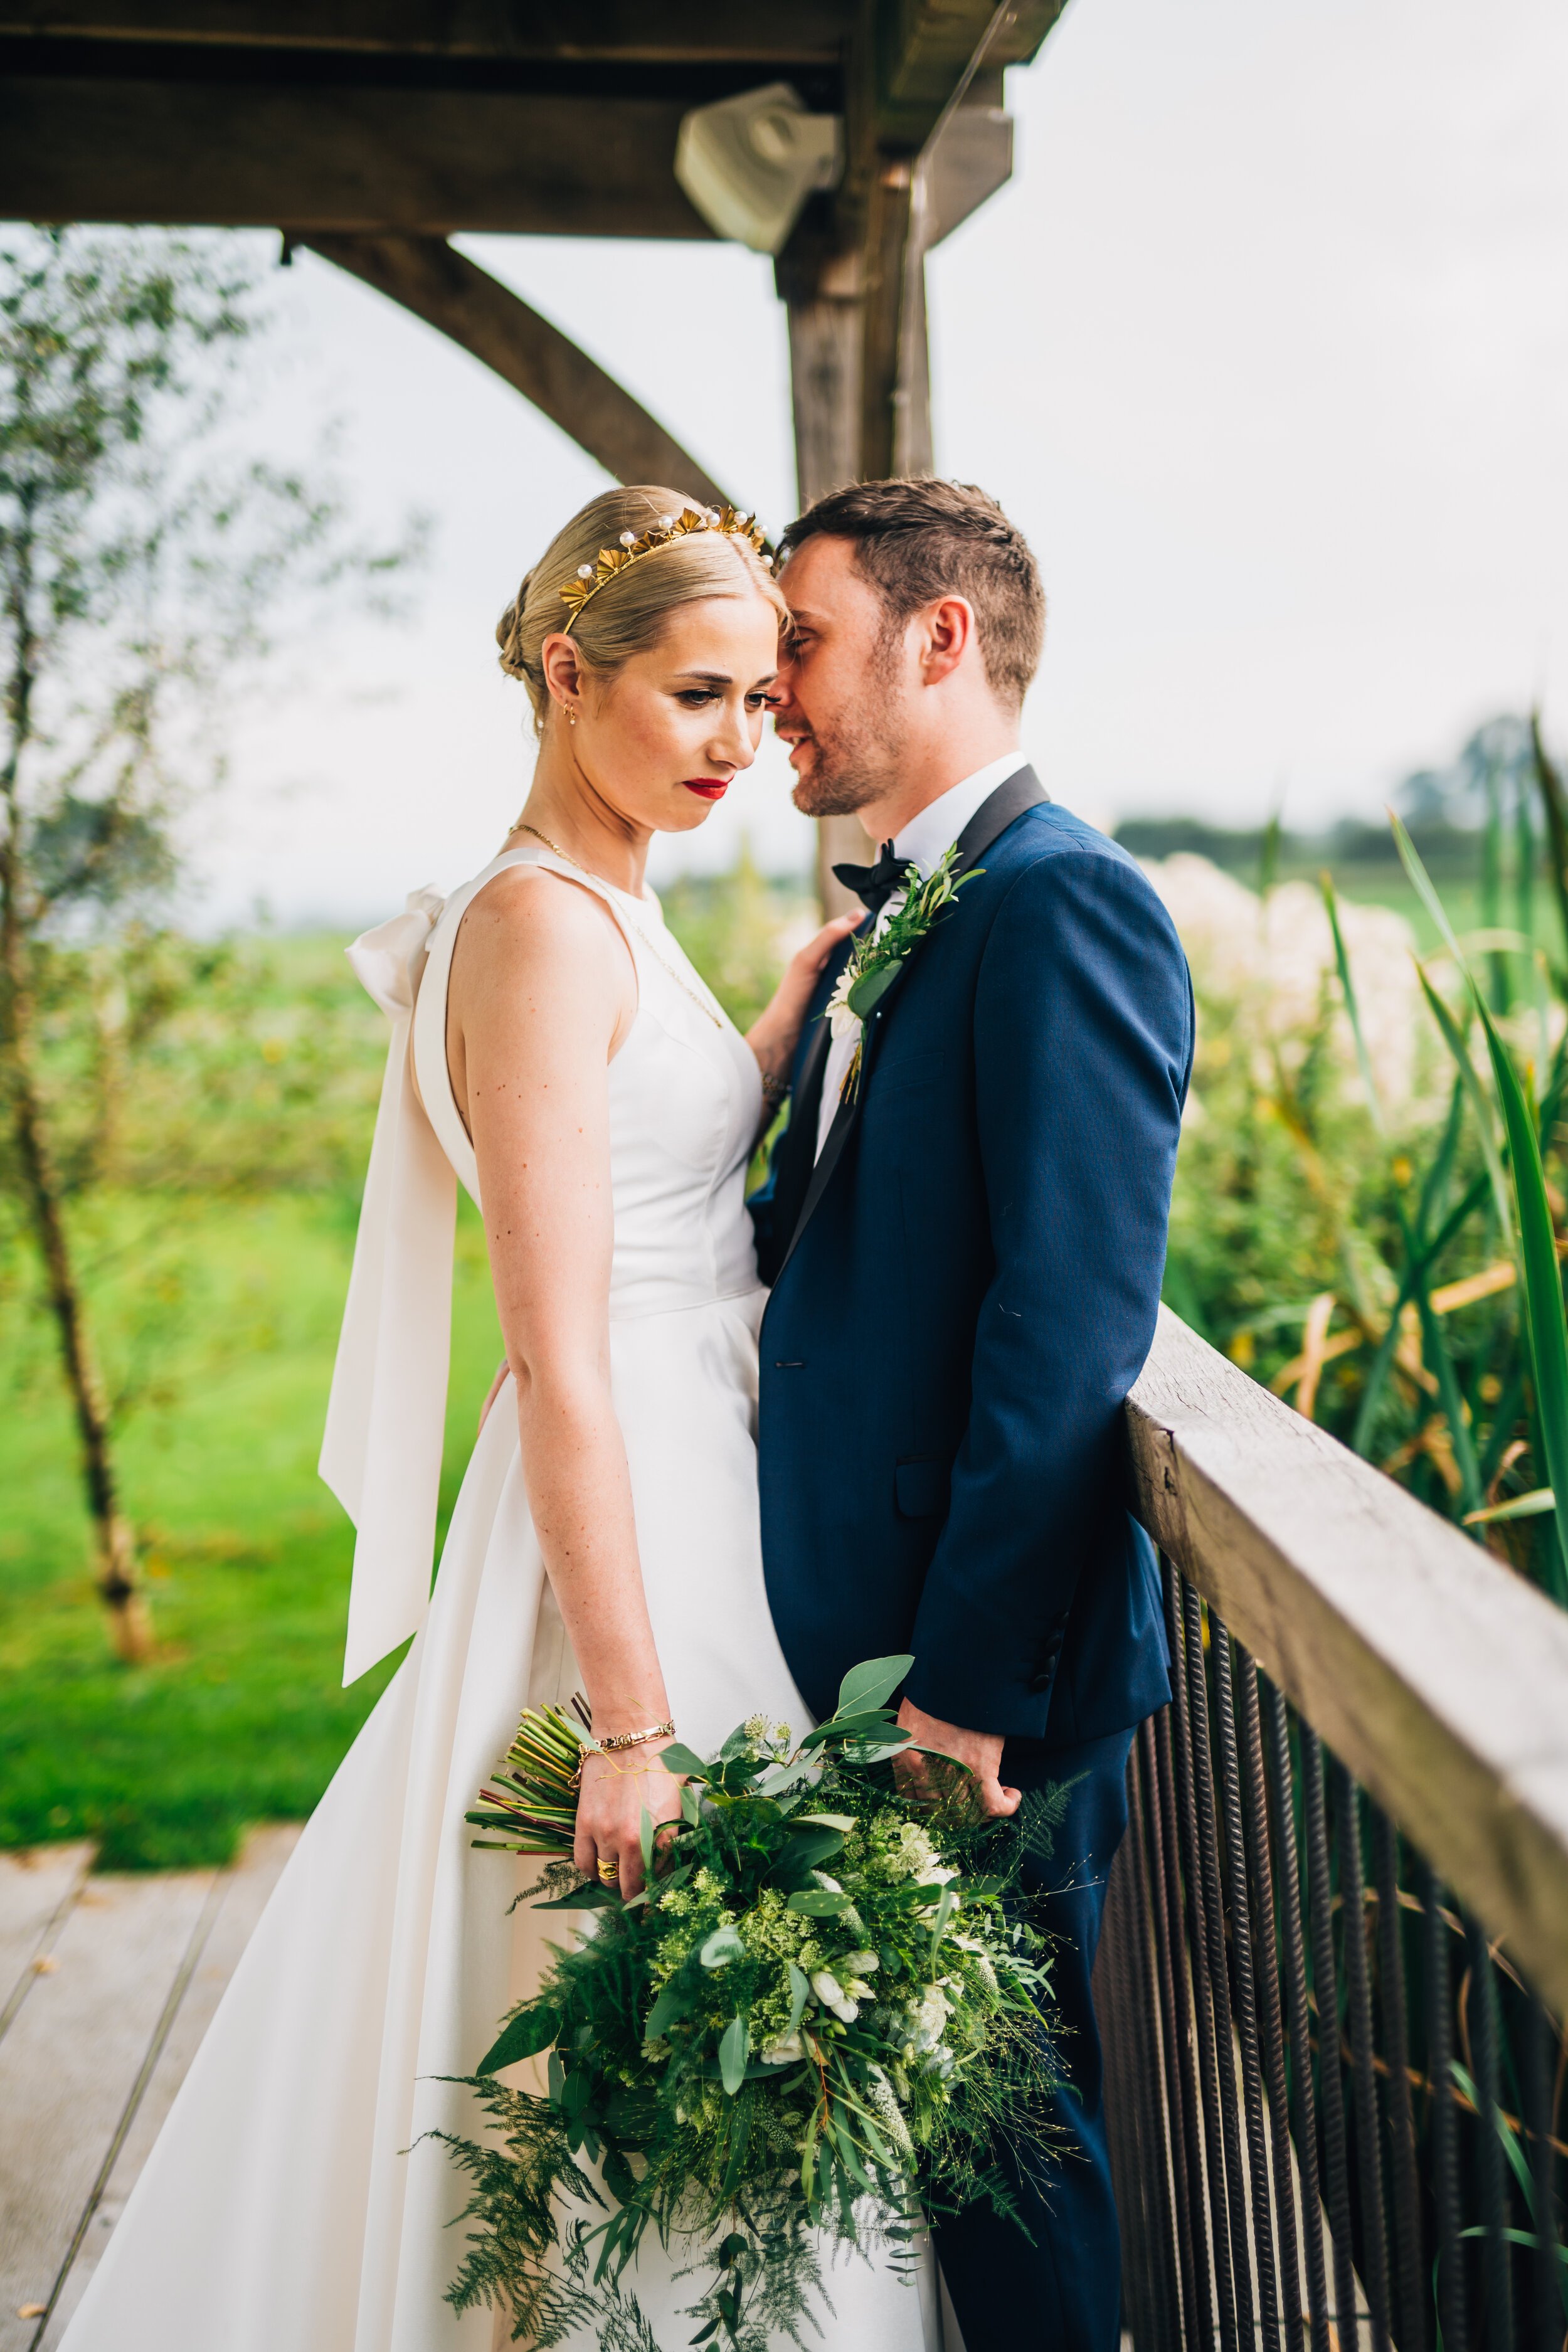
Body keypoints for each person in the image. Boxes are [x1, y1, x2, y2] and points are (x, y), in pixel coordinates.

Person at [58, 488, 943, 2351]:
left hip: (701, 1466)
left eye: (760, 706)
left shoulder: (605, 894)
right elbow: (561, 1345)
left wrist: (779, 1021)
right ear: (567, 672)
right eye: (697, 696)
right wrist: (627, 1718)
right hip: (625, 1514)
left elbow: (649, 1169)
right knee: (642, 2008)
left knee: (701, 2025)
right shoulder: (538, 926)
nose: (736, 743)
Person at [754, 477, 1194, 2352]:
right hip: (861, 1644)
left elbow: (1070, 1329)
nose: (770, 689)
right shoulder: (898, 925)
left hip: (963, 1676)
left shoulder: (1063, 903)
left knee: (1013, 2155)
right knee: (943, 2146)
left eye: (799, 639)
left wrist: (964, 1687)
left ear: (937, 639)